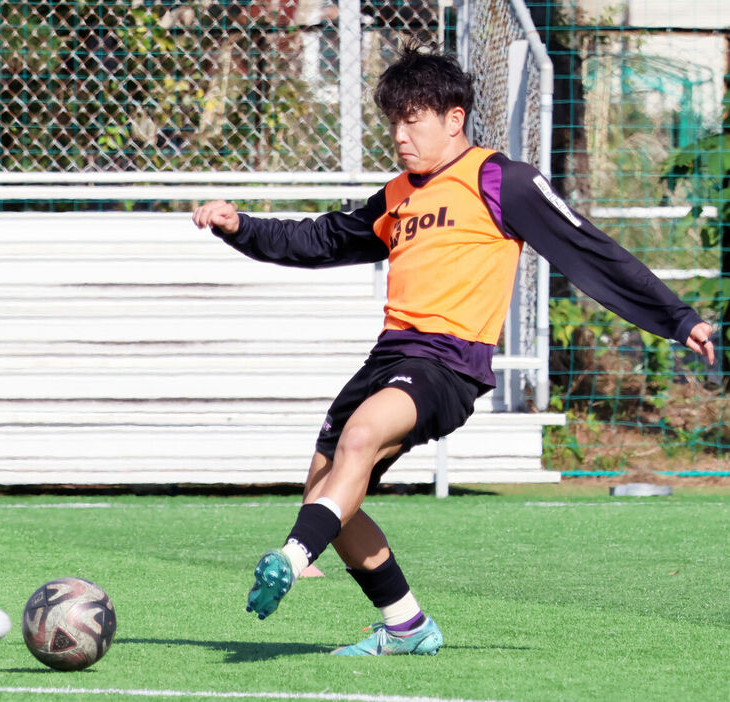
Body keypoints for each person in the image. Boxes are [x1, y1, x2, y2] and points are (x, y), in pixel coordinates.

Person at [192, 42, 715, 656]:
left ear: (454, 118)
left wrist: (677, 319)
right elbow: (322, 238)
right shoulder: (397, 194)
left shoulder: (502, 180)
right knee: (329, 494)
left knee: (359, 441)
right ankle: (407, 626)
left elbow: (590, 248)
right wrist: (240, 227)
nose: (401, 135)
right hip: (387, 358)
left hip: (445, 364)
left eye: (413, 119)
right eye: (394, 121)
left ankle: (290, 556)